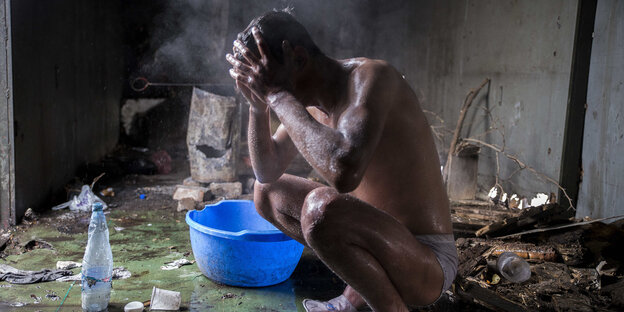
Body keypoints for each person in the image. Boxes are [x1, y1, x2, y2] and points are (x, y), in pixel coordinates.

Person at [226, 10, 457, 312]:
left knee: (321, 209)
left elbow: (344, 172)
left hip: (425, 262)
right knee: (266, 192)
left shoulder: (372, 79)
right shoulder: (306, 102)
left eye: (267, 78)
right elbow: (266, 171)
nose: (267, 88)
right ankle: (354, 299)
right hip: (377, 241)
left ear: (298, 58)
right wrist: (258, 107)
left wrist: (278, 96)